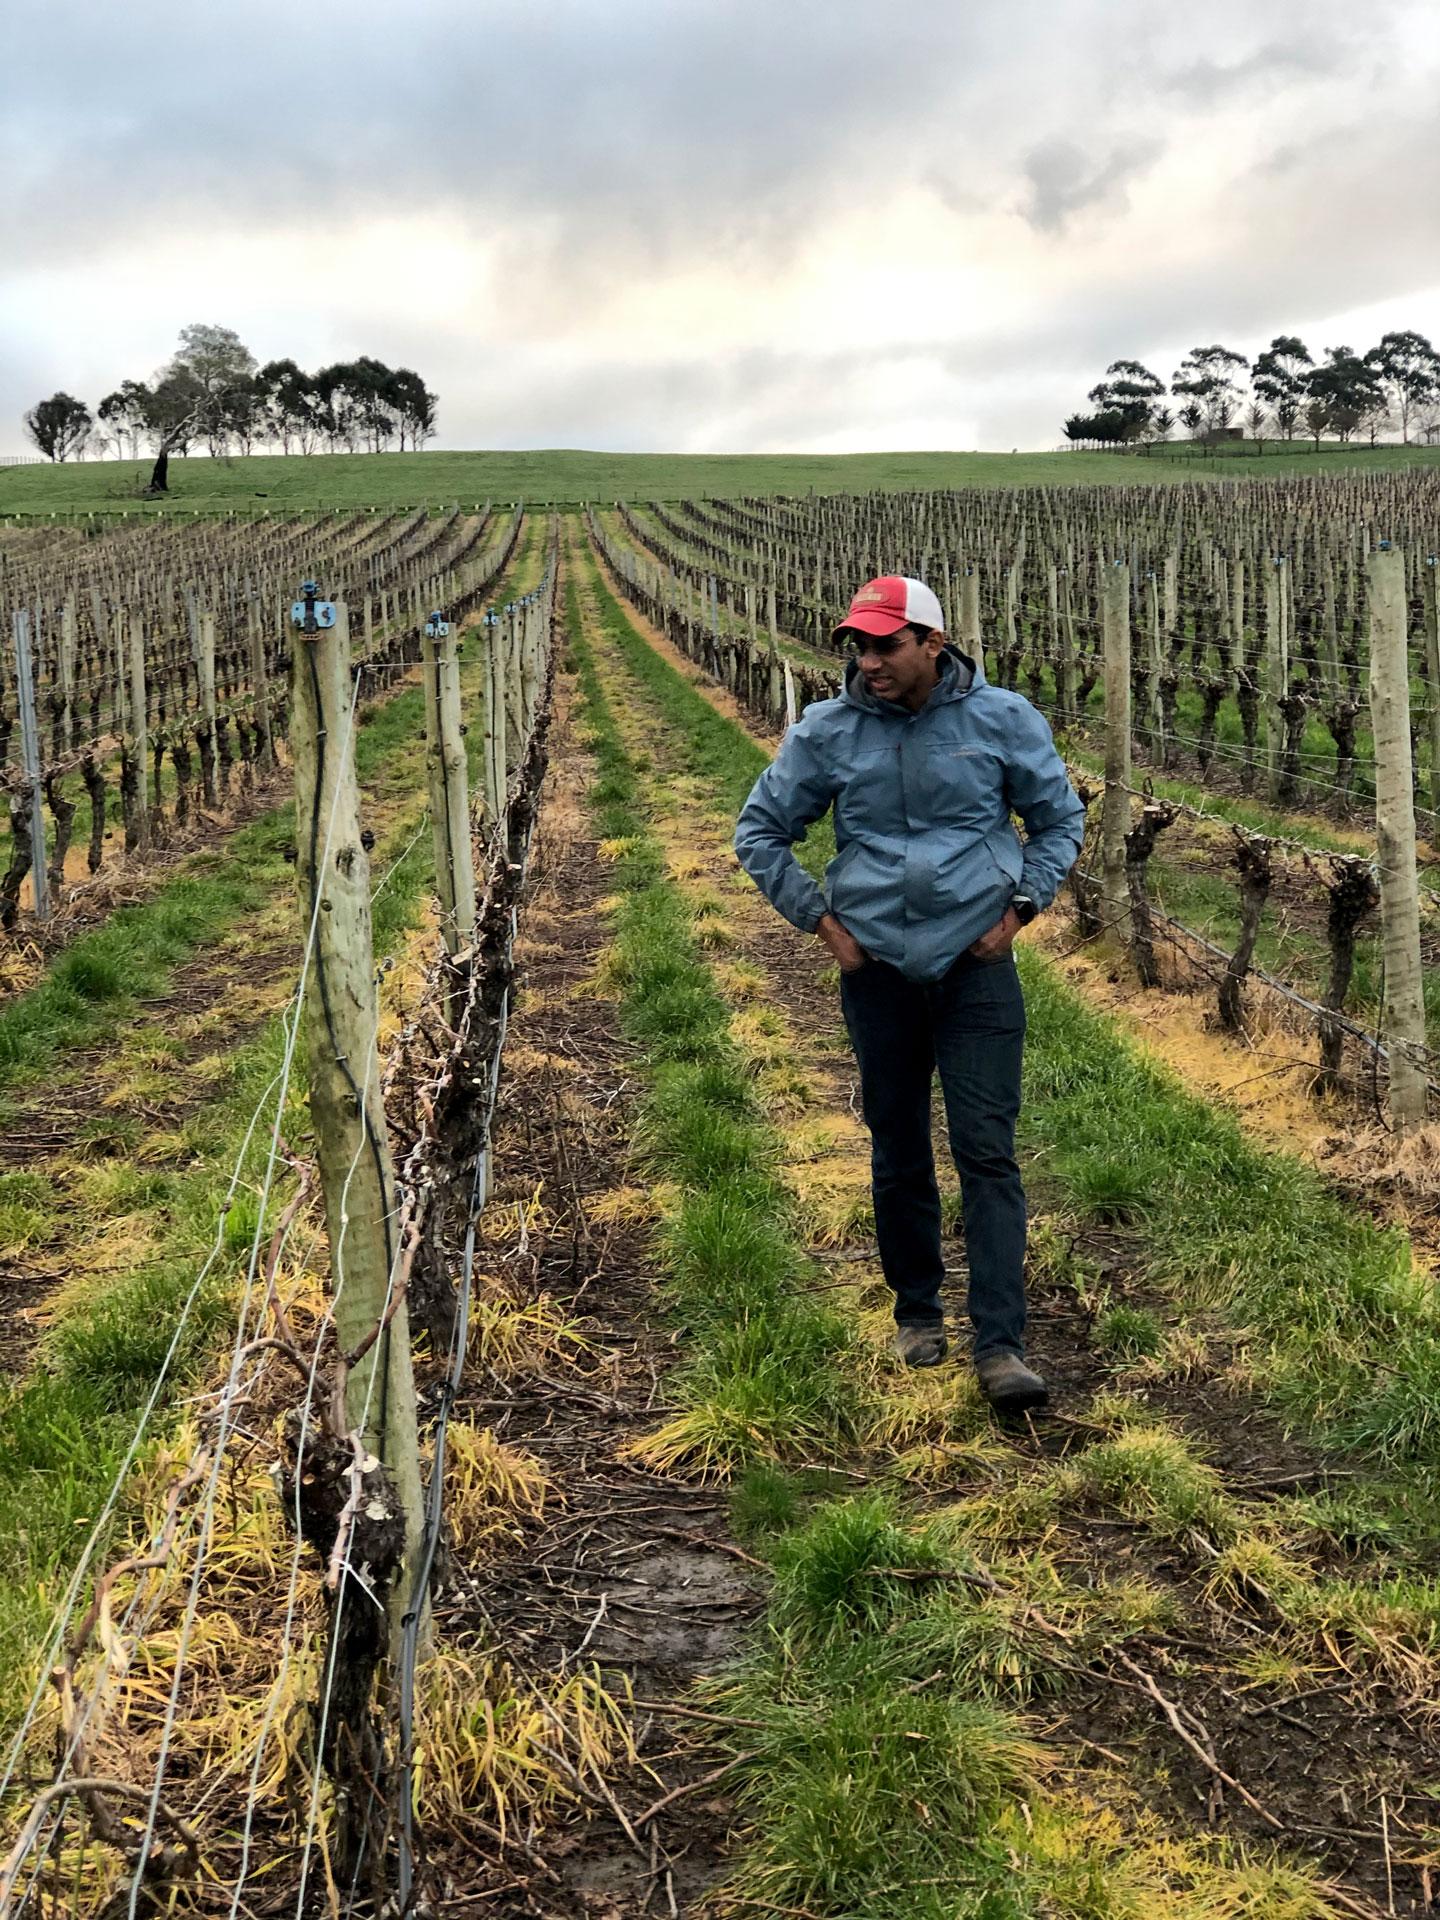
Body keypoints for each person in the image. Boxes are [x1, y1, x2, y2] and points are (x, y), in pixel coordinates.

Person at [734, 574, 1085, 1413]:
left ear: (934, 642)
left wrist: (1022, 907)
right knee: (897, 1145)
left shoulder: (1002, 720)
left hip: (976, 968)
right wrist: (824, 926)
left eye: (887, 644)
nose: (868, 660)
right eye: (858, 644)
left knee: (987, 1150)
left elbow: (1058, 818)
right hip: (879, 973)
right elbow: (760, 830)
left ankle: (1001, 1344)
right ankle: (917, 1312)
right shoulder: (827, 730)